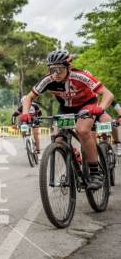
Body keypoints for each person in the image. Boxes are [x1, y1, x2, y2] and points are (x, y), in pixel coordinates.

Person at [21, 49, 114, 190]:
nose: (56, 73)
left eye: (59, 69)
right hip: (66, 108)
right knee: (58, 139)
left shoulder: (80, 76)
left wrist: (100, 108)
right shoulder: (48, 80)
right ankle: (74, 160)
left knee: (82, 130)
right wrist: (25, 113)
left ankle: (95, 173)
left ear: (69, 67)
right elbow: (29, 97)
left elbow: (108, 94)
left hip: (86, 105)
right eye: (52, 69)